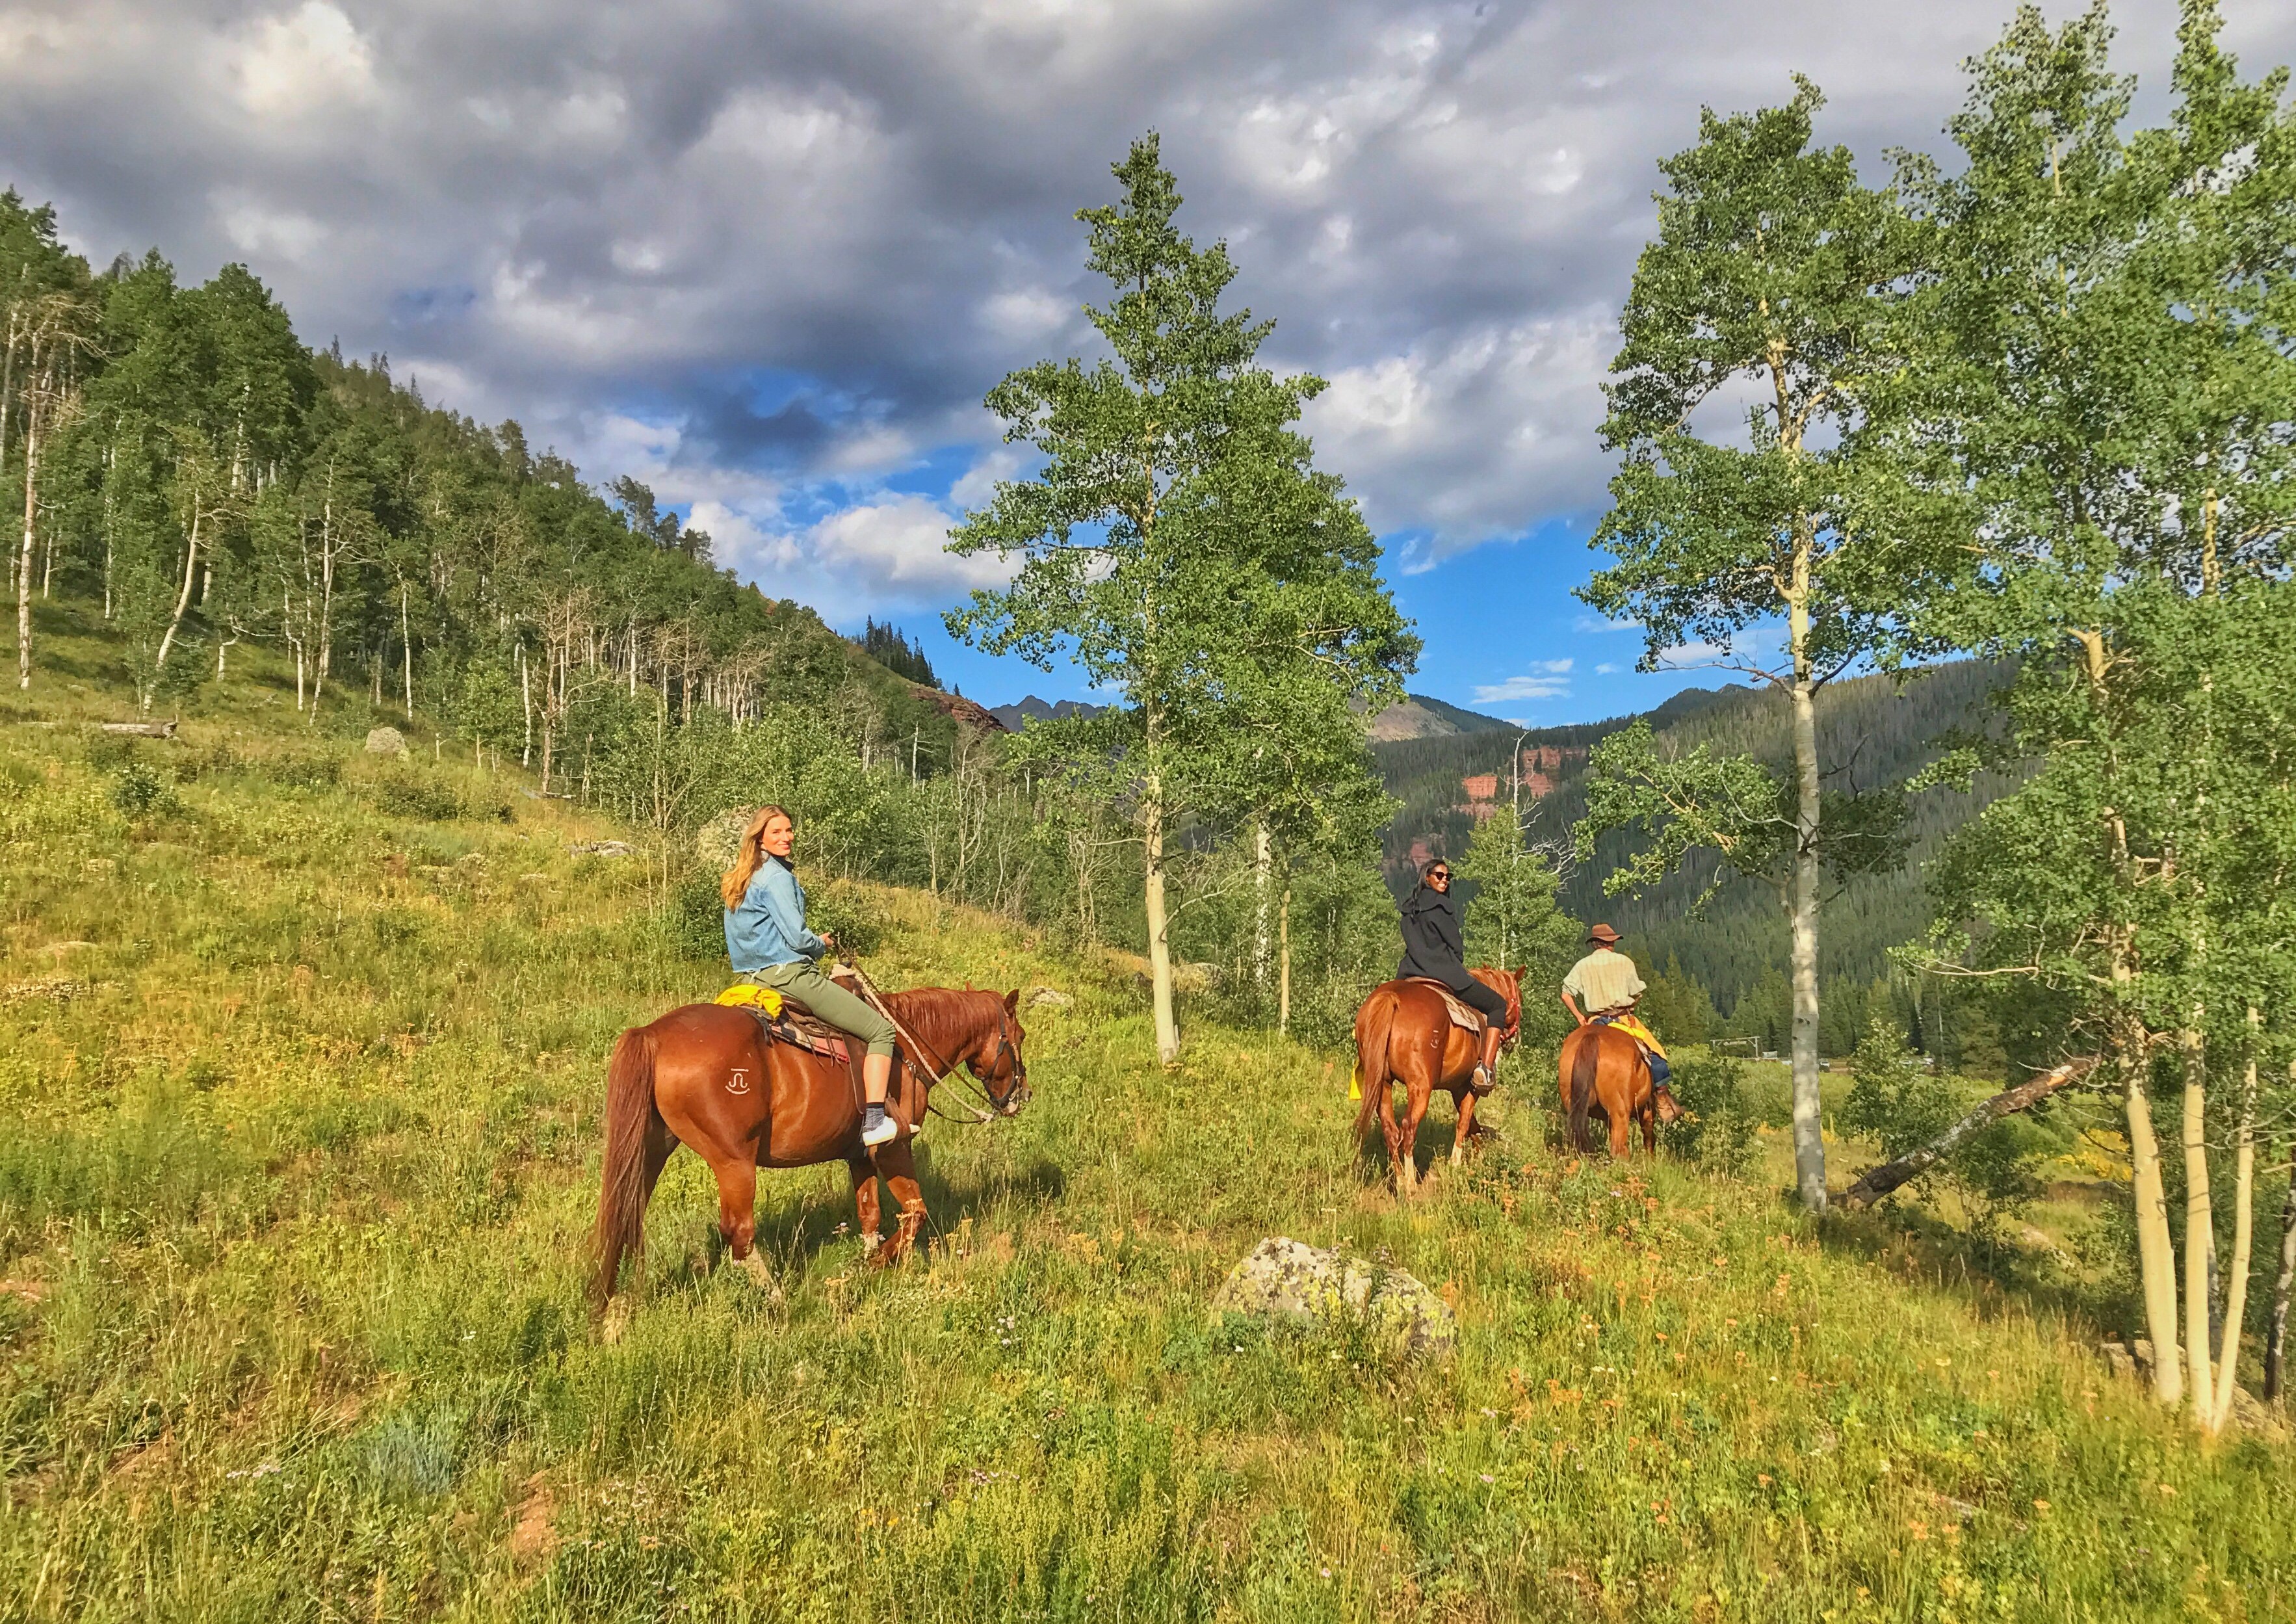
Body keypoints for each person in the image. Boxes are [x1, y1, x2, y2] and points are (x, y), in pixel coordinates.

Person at [722, 804, 903, 1147]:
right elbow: (796, 938)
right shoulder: (776, 877)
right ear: (760, 838)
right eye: (777, 832)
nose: (786, 837)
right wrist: (819, 945)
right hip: (791, 977)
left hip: (751, 981)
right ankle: (874, 1121)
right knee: (881, 1031)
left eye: (789, 830)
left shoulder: (743, 877)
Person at [1396, 856, 1511, 1091]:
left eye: (1448, 877)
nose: (1445, 880)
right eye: (1439, 875)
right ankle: (1486, 1069)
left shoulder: (1408, 910)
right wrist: (1455, 962)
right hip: (1444, 973)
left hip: (1409, 972)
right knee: (1498, 1005)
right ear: (1427, 877)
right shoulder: (1442, 907)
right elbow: (1456, 946)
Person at [1560, 923, 1683, 1123]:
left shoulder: (1582, 965)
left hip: (1595, 1020)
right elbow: (1637, 992)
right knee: (1656, 1055)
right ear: (1610, 943)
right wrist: (1631, 1004)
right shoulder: (1624, 962)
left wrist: (1580, 1017)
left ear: (1595, 944)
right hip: (1623, 1019)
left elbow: (1566, 994)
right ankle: (1662, 1099)